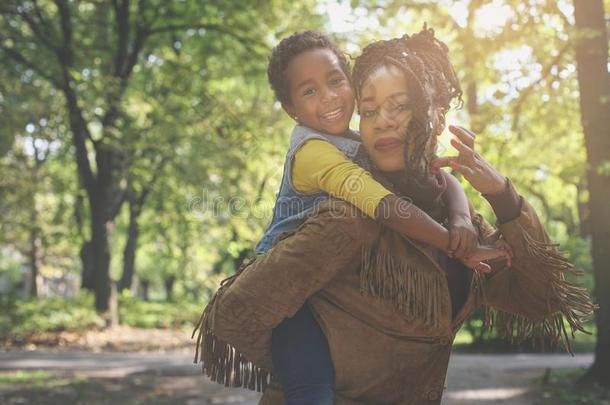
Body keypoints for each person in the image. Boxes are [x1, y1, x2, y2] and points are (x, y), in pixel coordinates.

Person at [193, 27, 595, 404]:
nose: (381, 120)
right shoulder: (347, 218)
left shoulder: (461, 222)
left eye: (399, 106)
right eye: (368, 111)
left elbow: (541, 299)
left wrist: (502, 197)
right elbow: (235, 314)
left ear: (437, 115)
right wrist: (312, 376)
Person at [250, 30, 507, 405]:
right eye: (309, 92)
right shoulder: (312, 152)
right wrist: (454, 247)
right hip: (292, 292)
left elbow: (443, 178)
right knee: (312, 390)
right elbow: (383, 205)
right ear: (291, 110)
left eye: (336, 81)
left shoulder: (361, 140)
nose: (329, 97)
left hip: (330, 283)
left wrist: (461, 220)